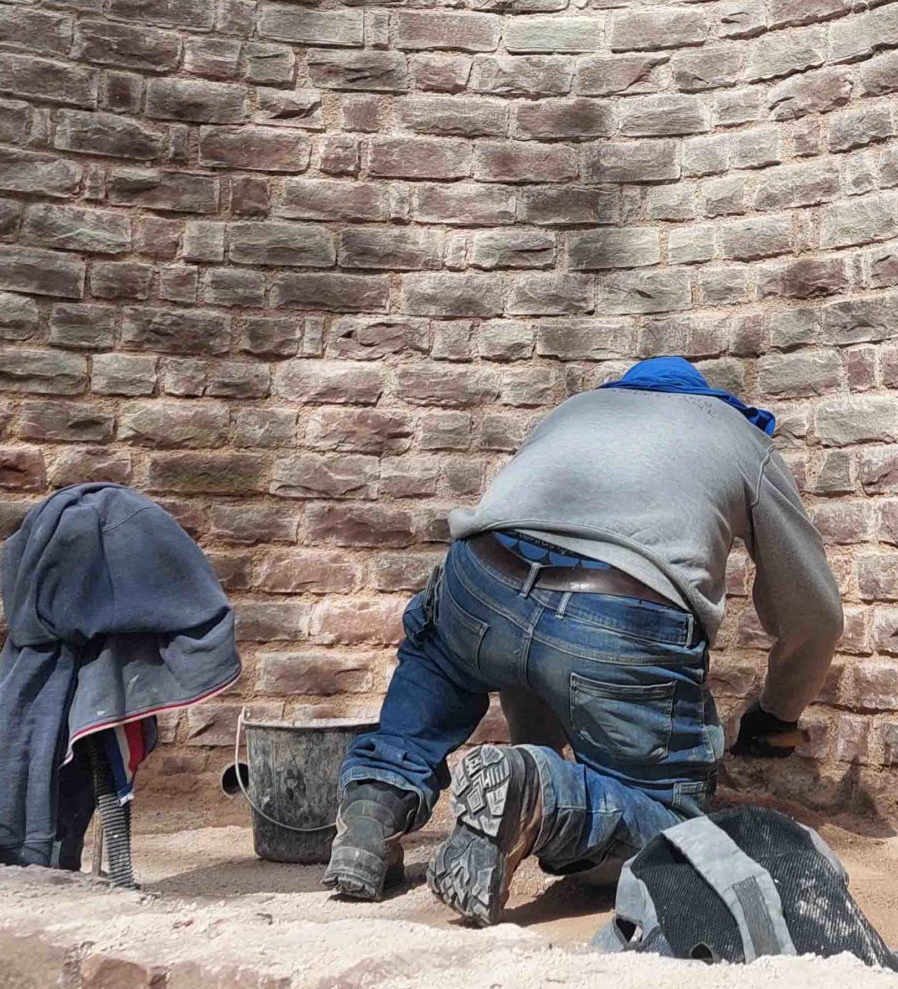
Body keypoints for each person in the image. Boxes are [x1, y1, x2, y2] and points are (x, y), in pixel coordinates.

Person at [324, 357, 842, 924]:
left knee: (439, 657)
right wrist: (777, 712)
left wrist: (538, 741)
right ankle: (542, 800)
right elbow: (814, 616)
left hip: (481, 579)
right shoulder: (744, 441)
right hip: (619, 613)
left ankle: (376, 802)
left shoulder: (574, 410)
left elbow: (536, 621)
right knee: (677, 833)